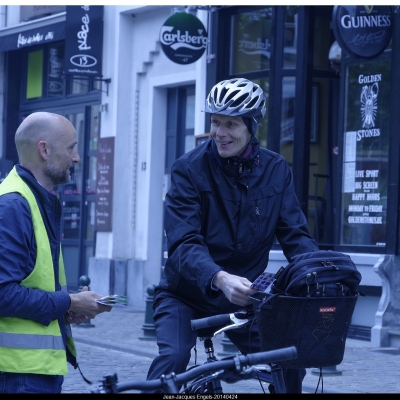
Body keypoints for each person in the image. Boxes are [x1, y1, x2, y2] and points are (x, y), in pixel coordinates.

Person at [144, 78, 319, 393]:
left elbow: (295, 235)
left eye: (230, 124)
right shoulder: (188, 169)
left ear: (251, 127)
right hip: (185, 294)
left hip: (245, 298)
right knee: (173, 360)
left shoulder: (276, 169)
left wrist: (317, 270)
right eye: (215, 122)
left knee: (289, 360)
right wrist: (220, 278)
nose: (219, 133)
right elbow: (184, 243)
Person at [0, 112, 112, 394]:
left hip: (33, 369)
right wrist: (69, 302)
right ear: (44, 150)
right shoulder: (13, 206)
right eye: (71, 148)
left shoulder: (34, 198)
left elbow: (31, 284)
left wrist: (66, 309)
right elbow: (3, 295)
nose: (76, 157)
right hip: (17, 373)